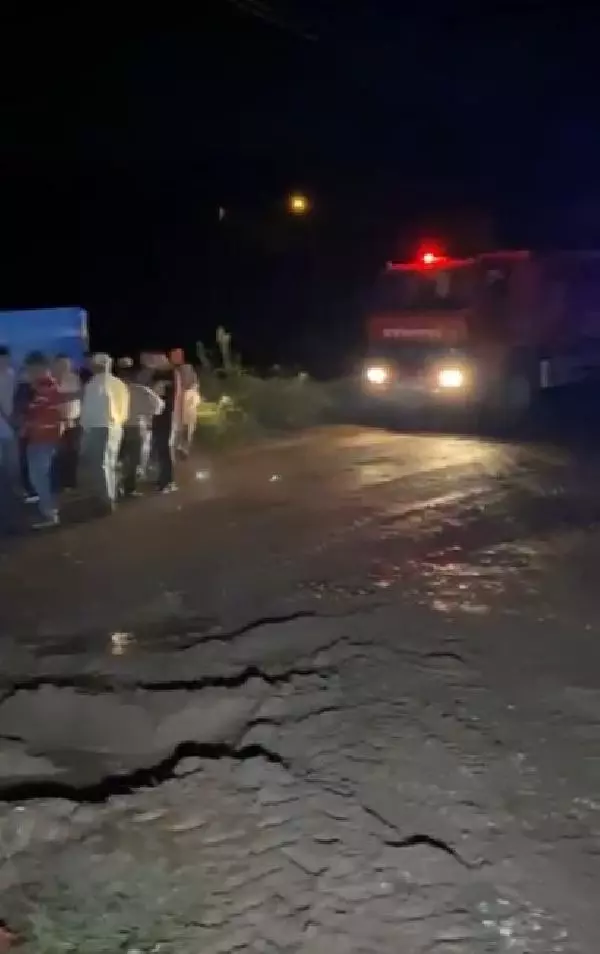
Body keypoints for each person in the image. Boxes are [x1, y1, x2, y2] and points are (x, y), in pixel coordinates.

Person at [79, 353, 129, 514]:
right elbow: (125, 407)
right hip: (116, 426)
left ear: (95, 366)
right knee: (111, 462)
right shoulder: (119, 383)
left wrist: (84, 427)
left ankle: (106, 500)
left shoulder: (94, 384)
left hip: (98, 427)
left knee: (100, 465)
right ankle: (112, 493)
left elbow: (88, 410)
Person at [21, 352, 64, 529]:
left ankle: (49, 513)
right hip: (42, 437)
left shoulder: (45, 386)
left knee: (39, 476)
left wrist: (26, 424)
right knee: (40, 476)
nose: (28, 373)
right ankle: (49, 508)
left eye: (30, 369)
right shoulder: (46, 385)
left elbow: (35, 412)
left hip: (42, 438)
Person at [119, 366, 164, 496]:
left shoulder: (115, 390)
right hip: (136, 427)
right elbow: (159, 406)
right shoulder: (141, 390)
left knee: (120, 458)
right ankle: (129, 488)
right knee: (133, 460)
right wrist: (147, 414)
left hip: (117, 428)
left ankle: (117, 486)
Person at [151, 353, 182, 493]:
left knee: (165, 448)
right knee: (160, 448)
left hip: (167, 415)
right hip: (158, 416)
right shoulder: (156, 374)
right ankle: (163, 479)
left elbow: (175, 396)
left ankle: (168, 481)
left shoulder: (171, 373)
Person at [52, 354, 81, 491]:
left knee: (72, 452)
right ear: (55, 364)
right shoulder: (51, 380)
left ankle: (71, 482)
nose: (64, 367)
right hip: (56, 422)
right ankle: (59, 482)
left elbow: (80, 396)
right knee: (58, 453)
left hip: (73, 422)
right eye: (61, 364)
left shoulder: (74, 378)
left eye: (67, 364)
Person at [0, 346, 20, 533]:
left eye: (5, 359)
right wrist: (7, 416)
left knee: (12, 466)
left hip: (11, 429)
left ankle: (12, 499)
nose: (3, 363)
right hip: (4, 426)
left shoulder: (13, 375)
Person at [177, 363, 201, 457]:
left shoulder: (191, 390)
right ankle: (182, 448)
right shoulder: (185, 390)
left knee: (186, 433)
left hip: (187, 414)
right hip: (185, 414)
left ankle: (183, 449)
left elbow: (196, 402)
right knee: (185, 432)